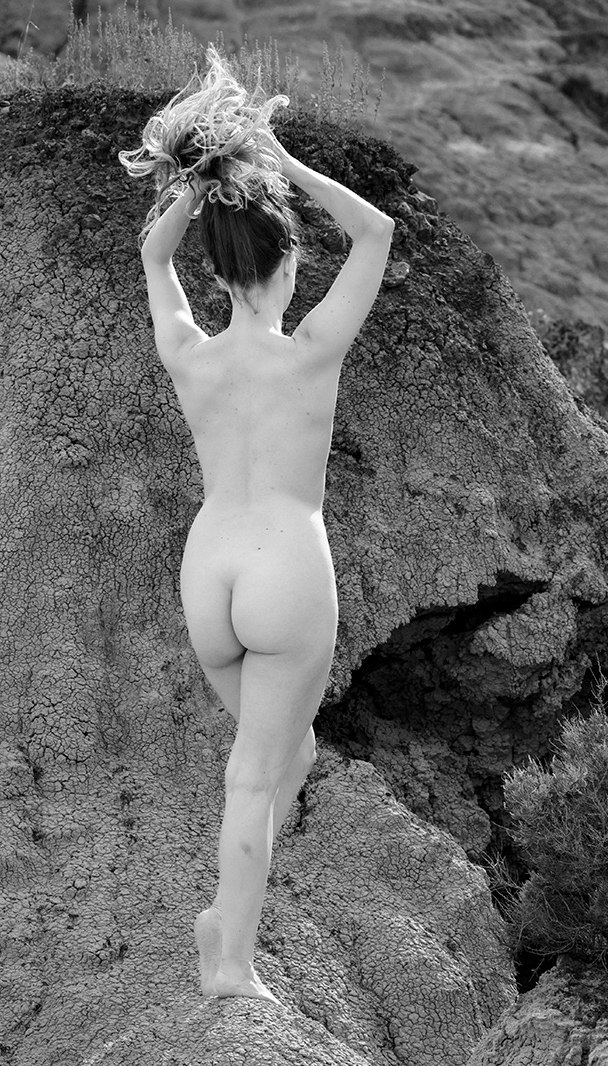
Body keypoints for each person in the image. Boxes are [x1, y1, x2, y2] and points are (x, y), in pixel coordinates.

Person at [120, 48, 394, 1005]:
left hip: (210, 571)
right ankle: (229, 960)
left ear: (221, 270)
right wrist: (279, 158)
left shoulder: (190, 354)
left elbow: (153, 257)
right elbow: (376, 231)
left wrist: (199, 183)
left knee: (292, 752)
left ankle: (225, 919)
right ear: (288, 261)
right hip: (286, 569)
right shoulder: (312, 351)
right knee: (252, 776)